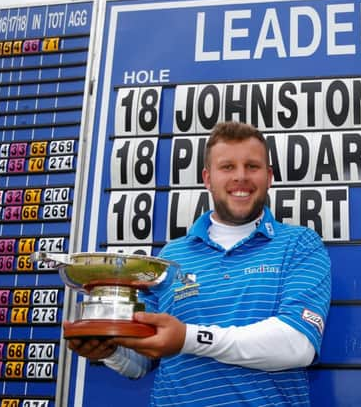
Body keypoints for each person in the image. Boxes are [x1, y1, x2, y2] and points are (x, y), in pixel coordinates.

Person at [66, 121, 331, 406]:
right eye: (227, 167)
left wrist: (188, 338)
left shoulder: (300, 244)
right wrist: (109, 351)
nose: (240, 177)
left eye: (252, 167)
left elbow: (297, 345)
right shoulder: (171, 256)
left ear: (269, 177)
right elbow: (141, 362)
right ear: (207, 178)